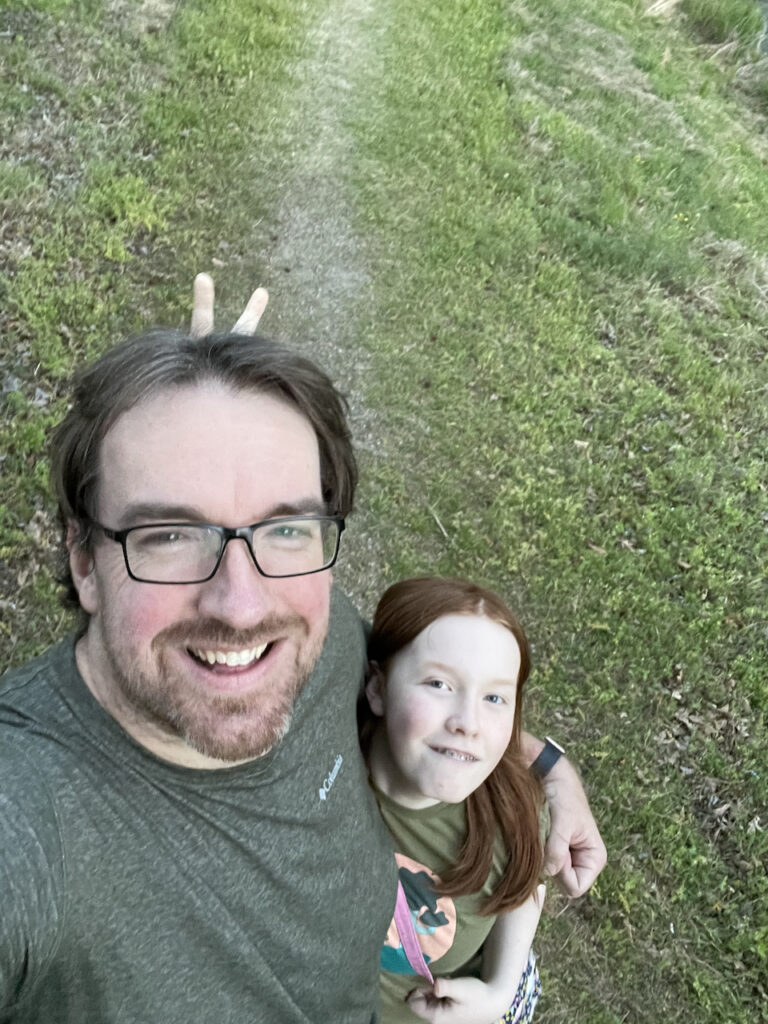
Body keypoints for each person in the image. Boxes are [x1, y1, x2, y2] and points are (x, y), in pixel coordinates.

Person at [0, 277, 606, 1023]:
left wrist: (549, 767)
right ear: (85, 560)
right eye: (170, 535)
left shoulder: (318, 641)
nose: (244, 607)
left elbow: (427, 697)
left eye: (283, 529)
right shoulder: (28, 814)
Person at [362, 577, 546, 1024]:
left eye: (495, 697)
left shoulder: (509, 815)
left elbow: (522, 887)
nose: (469, 722)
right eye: (440, 684)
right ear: (377, 688)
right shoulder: (325, 764)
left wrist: (500, 989)